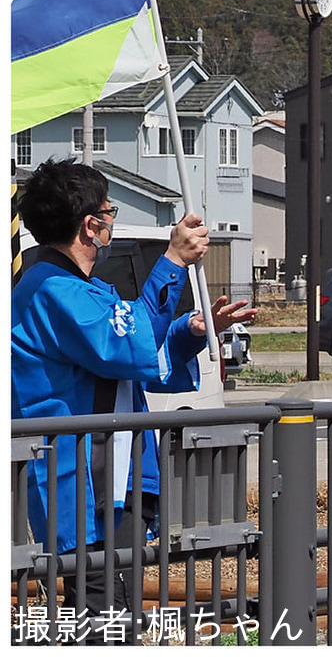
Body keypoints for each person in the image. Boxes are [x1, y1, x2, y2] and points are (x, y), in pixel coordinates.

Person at [11, 157, 257, 641]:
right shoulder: (54, 291)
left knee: (108, 600)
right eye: (109, 211)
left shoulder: (75, 288)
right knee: (107, 610)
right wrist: (172, 262)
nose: (111, 222)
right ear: (91, 226)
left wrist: (188, 332)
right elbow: (129, 346)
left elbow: (134, 362)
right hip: (86, 479)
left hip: (107, 474)